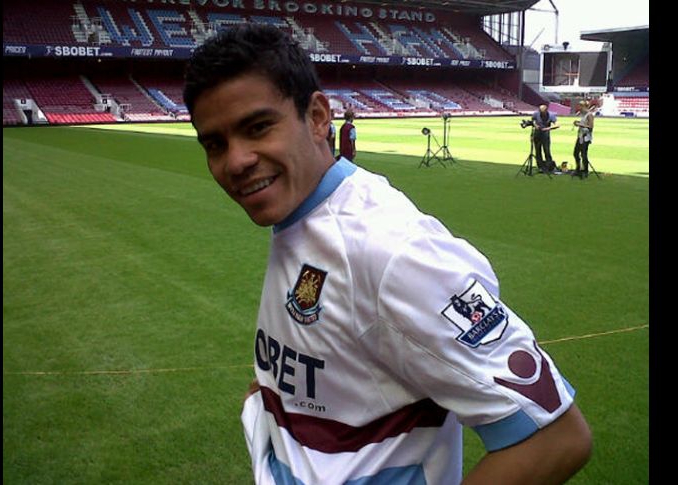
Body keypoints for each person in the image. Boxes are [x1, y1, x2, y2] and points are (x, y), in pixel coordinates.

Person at [184, 24, 592, 485]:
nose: (235, 161)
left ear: (318, 116)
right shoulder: (299, 214)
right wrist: (272, 397)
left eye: (257, 127)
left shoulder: (392, 250)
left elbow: (556, 438)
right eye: (215, 144)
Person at [531, 103, 559, 173]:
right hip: (537, 134)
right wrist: (535, 125)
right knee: (538, 151)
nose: (542, 114)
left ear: (546, 111)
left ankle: (549, 166)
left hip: (545, 135)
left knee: (547, 151)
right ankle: (540, 166)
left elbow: (557, 125)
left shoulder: (551, 115)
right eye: (541, 112)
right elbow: (533, 121)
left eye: (543, 112)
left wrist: (547, 128)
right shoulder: (536, 113)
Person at [572, 100, 595, 178]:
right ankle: (578, 169)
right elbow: (584, 123)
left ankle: (585, 171)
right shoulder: (583, 114)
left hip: (586, 137)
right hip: (580, 136)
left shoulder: (589, 115)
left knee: (584, 154)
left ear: (583, 106)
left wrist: (579, 124)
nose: (578, 108)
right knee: (576, 153)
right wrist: (578, 122)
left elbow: (591, 126)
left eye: (579, 106)